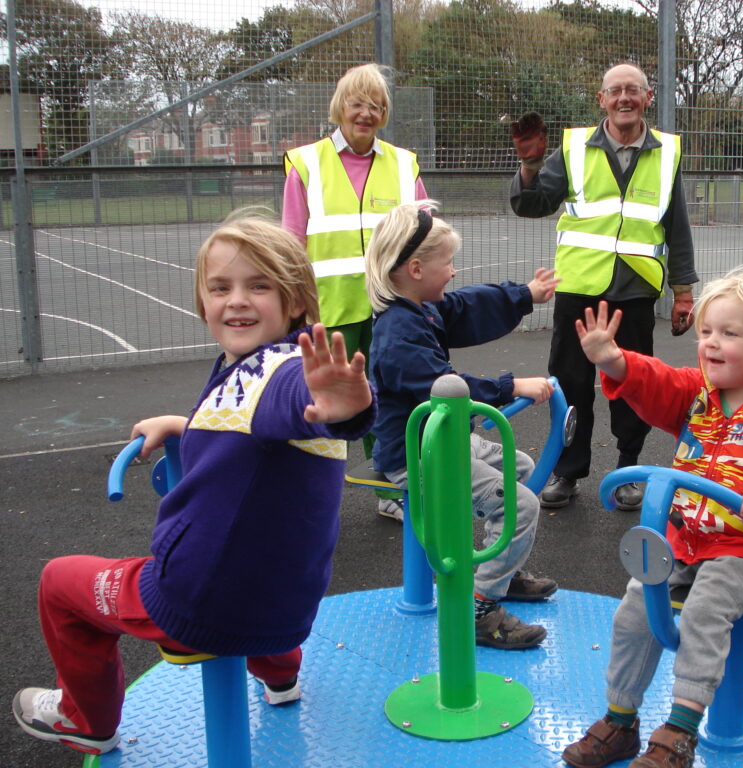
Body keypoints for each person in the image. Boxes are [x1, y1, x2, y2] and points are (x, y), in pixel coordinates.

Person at [12, 216, 376, 756]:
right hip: (288, 604)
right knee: (261, 555)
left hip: (198, 601)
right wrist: (181, 424)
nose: (237, 301)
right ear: (201, 301)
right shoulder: (247, 368)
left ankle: (84, 719)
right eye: (220, 287)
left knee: (59, 582)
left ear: (296, 300)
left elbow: (297, 406)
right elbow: (246, 426)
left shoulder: (282, 374)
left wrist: (346, 408)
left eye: (260, 286)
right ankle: (281, 678)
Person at [561, 267, 743, 768]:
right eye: (707, 332)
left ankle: (681, 731)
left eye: (730, 333)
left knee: (706, 610)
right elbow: (656, 382)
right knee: (635, 608)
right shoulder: (698, 396)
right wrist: (614, 361)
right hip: (685, 539)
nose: (711, 344)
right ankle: (621, 720)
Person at [366, 202, 559, 650]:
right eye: (447, 263)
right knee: (523, 506)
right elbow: (447, 390)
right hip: (416, 458)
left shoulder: (419, 309)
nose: (453, 272)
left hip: (442, 445)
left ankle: (499, 575)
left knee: (522, 465)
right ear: (415, 268)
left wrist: (524, 295)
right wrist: (512, 386)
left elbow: (467, 307)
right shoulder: (397, 333)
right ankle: (478, 606)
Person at [509, 63, 698, 512]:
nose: (624, 99)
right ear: (602, 99)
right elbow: (531, 204)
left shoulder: (666, 153)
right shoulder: (573, 148)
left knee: (632, 380)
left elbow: (678, 226)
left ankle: (627, 471)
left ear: (648, 97)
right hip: (579, 287)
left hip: (635, 289)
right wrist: (530, 165)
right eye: (615, 91)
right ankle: (568, 471)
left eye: (633, 90)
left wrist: (684, 292)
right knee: (571, 382)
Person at [283, 61, 428, 521]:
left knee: (387, 402)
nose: (365, 113)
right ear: (340, 107)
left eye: (376, 105)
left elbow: (425, 230)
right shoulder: (306, 162)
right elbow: (291, 240)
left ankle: (390, 491)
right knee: (321, 404)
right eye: (357, 103)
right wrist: (297, 303)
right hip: (329, 308)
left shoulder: (403, 164)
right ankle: (304, 494)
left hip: (389, 307)